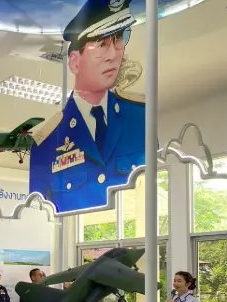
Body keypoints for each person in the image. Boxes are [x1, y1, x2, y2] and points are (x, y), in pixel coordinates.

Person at [29, 0, 145, 214]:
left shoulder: (141, 119)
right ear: (75, 62)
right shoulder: (47, 144)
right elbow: (38, 218)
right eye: (101, 44)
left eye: (119, 38)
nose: (114, 55)